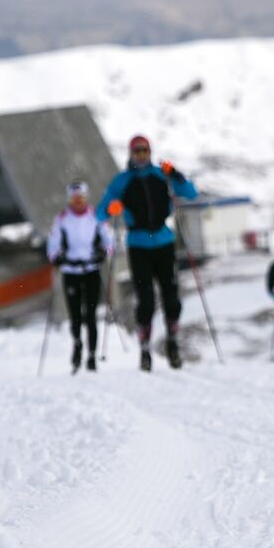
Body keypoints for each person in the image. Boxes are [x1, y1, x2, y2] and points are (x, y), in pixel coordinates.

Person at [97, 135, 198, 372]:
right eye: (137, 151)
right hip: (138, 245)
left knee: (172, 297)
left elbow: (191, 193)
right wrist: (112, 208)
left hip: (164, 241)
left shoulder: (162, 173)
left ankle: (172, 342)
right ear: (131, 154)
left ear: (150, 152)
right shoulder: (121, 181)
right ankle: (144, 349)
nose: (141, 155)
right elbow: (101, 213)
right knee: (146, 300)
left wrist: (176, 174)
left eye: (145, 151)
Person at [47, 180, 115, 373]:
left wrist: (105, 251)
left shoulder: (96, 216)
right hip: (71, 272)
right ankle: (77, 345)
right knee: (75, 316)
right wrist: (56, 258)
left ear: (86, 198)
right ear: (70, 199)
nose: (78, 201)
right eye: (75, 198)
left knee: (91, 315)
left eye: (81, 198)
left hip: (92, 270)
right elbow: (53, 244)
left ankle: (92, 356)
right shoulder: (61, 219)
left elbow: (110, 241)